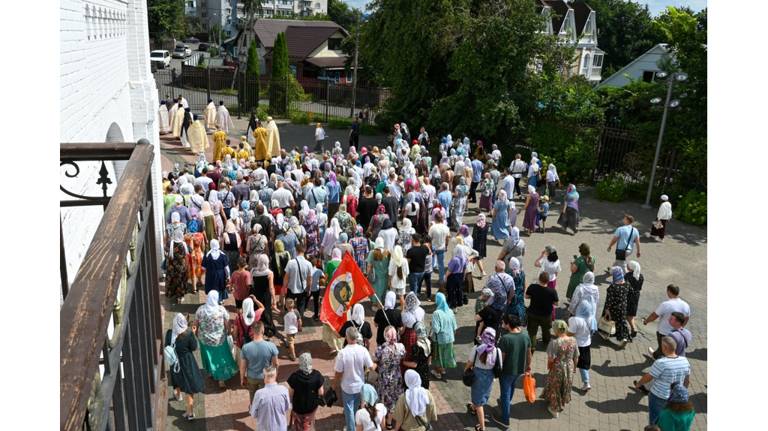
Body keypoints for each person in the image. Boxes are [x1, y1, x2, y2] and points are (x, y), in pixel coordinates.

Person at [633, 336, 691, 425]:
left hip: (659, 396)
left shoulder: (661, 362)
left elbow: (649, 376)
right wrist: (683, 391)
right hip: (675, 397)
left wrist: (639, 384)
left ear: (665, 348)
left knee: (655, 419)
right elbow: (687, 380)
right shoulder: (685, 361)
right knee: (668, 420)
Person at [492, 314, 532, 428]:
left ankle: (505, 420)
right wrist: (528, 366)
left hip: (507, 371)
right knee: (512, 386)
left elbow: (501, 358)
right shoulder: (525, 336)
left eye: (504, 323)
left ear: (508, 325)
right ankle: (507, 403)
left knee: (505, 392)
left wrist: (496, 370)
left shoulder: (506, 339)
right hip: (519, 369)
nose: (503, 324)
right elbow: (529, 353)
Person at [334, 326, 375, 431]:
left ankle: (351, 428)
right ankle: (357, 426)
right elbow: (371, 366)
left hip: (347, 386)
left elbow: (338, 372)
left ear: (347, 338)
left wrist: (335, 384)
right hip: (360, 385)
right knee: (356, 407)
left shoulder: (342, 353)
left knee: (349, 410)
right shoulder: (363, 350)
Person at [165, 313, 204, 420]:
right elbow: (194, 347)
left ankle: (178, 395)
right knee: (189, 386)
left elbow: (166, 346)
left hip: (174, 361)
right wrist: (194, 332)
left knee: (176, 379)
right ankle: (190, 413)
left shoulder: (169, 334)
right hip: (187, 362)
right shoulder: (188, 334)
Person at [194, 291, 238, 387]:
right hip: (220, 340)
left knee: (209, 358)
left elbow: (196, 324)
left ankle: (211, 373)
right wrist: (229, 333)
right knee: (220, 359)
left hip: (205, 340)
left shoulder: (200, 310)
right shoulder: (221, 310)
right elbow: (227, 324)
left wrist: (197, 334)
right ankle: (221, 379)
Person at [541, 320, 579, 418]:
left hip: (558, 367)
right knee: (566, 384)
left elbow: (550, 359)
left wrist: (549, 367)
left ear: (556, 330)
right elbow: (576, 356)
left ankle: (554, 409)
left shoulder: (554, 343)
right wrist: (574, 368)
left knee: (555, 386)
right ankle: (560, 401)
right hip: (569, 366)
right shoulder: (573, 340)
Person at [466, 327, 501, 431]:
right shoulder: (497, 350)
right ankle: (473, 408)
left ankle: (482, 427)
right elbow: (500, 366)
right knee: (483, 394)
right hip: (489, 376)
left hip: (477, 375)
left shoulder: (477, 348)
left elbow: (470, 363)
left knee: (478, 402)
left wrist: (465, 370)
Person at [642, 284, 691, 360]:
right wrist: (681, 327)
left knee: (664, 349)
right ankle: (656, 355)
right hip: (677, 333)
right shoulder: (686, 305)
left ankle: (659, 359)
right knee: (669, 348)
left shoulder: (666, 304)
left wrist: (646, 321)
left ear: (668, 291)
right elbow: (687, 318)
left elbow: (654, 315)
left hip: (664, 332)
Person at [240, 321, 280, 401]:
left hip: (251, 377)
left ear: (252, 331)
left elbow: (243, 366)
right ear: (263, 330)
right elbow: (276, 364)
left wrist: (242, 378)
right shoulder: (271, 346)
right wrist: (275, 376)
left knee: (253, 396)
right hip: (266, 377)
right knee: (265, 397)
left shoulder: (245, 347)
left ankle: (254, 410)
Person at [374, 326, 405, 428]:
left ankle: (384, 419)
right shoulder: (401, 347)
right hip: (396, 376)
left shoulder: (381, 349)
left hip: (384, 378)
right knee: (394, 399)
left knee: (384, 399)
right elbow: (403, 356)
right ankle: (389, 422)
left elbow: (376, 359)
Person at [287, 353, 325, 430]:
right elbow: (321, 392)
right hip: (312, 405)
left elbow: (290, 393)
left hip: (298, 406)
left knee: (299, 422)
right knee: (309, 421)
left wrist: (291, 402)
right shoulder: (317, 375)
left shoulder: (295, 376)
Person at [249, 366, 291, 430]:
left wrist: (251, 408)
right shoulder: (284, 390)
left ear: (264, 377)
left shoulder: (259, 394)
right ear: (276, 376)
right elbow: (287, 407)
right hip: (280, 427)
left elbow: (254, 414)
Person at [526, 271, 558, 352]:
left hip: (533, 313)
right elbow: (556, 303)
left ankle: (532, 346)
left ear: (539, 279)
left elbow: (526, 296)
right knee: (546, 330)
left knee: (532, 331)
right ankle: (546, 342)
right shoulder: (552, 291)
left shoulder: (532, 287)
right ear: (548, 281)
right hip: (546, 315)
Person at [568, 301, 595, 391]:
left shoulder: (575, 320)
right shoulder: (591, 319)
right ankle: (586, 382)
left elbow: (571, 333)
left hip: (575, 344)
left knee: (569, 362)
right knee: (583, 364)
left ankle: (567, 378)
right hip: (586, 344)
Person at [430, 292, 458, 379]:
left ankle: (437, 372)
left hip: (439, 339)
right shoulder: (450, 311)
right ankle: (442, 369)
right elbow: (454, 326)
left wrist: (431, 324)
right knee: (446, 355)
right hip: (450, 338)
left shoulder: (436, 313)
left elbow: (436, 329)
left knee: (437, 356)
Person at [604, 266, 631, 346]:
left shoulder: (613, 287)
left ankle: (613, 336)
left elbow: (609, 300)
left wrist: (607, 309)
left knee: (612, 322)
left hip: (614, 308)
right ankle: (624, 337)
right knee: (622, 322)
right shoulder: (627, 284)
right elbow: (630, 293)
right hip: (623, 307)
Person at [166, 220, 189, 303]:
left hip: (173, 268)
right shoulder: (183, 245)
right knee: (181, 282)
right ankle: (180, 297)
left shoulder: (170, 244)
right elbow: (187, 255)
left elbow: (167, 253)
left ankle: (175, 295)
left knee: (174, 281)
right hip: (181, 268)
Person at [428, 212, 451, 287]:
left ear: (435, 218)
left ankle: (429, 279)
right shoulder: (446, 228)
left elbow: (429, 238)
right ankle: (441, 280)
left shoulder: (432, 227)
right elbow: (447, 238)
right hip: (442, 247)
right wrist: (446, 246)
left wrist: (429, 247)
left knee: (430, 264)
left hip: (433, 247)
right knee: (441, 265)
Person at [367, 238, 392, 303]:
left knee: (376, 289)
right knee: (383, 289)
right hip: (385, 275)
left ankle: (376, 303)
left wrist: (367, 274)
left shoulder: (372, 253)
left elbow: (369, 266)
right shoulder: (387, 252)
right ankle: (382, 303)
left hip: (376, 275)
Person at [625, 260, 644, 338]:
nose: (627, 267)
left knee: (625, 313)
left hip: (628, 296)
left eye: (628, 266)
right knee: (631, 315)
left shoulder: (628, 276)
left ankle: (624, 329)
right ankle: (634, 328)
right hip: (636, 296)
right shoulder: (641, 277)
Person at [507, 257, 527, 324]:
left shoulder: (510, 275)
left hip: (513, 293)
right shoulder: (522, 273)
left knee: (512, 308)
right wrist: (523, 291)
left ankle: (511, 321)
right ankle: (520, 319)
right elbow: (524, 284)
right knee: (520, 306)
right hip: (520, 293)